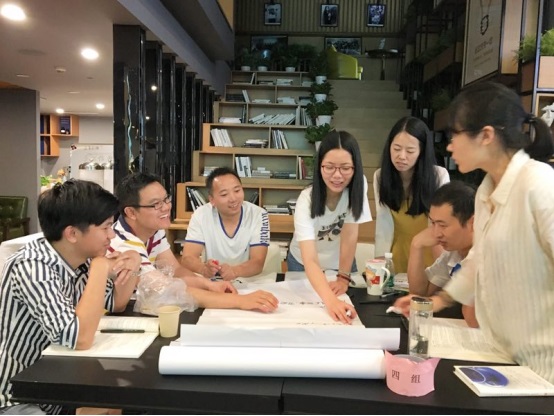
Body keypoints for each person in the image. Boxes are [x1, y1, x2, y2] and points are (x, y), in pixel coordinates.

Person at [395, 81, 554, 383]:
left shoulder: (540, 185)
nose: (449, 146)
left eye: (454, 134)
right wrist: (438, 301)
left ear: (486, 136)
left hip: (544, 367)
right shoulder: (485, 191)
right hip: (505, 357)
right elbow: (479, 260)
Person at [0, 180, 141, 414]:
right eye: (105, 227)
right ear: (72, 233)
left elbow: (116, 303)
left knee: (123, 403)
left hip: (61, 388)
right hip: (19, 398)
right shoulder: (33, 267)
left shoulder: (77, 257)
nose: (111, 235)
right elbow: (78, 338)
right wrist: (99, 267)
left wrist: (134, 262)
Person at [111, 172, 277, 312]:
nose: (166, 207)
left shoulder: (154, 229)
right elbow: (165, 289)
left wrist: (208, 285)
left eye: (166, 199)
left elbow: (176, 270)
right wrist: (241, 301)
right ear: (131, 212)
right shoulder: (124, 244)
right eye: (156, 204)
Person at [287, 130, 372, 324]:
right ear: (319, 166)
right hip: (303, 263)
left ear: (355, 167)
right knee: (306, 314)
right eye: (329, 167)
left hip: (341, 263)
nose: (337, 175)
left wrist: (343, 276)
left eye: (345, 168)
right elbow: (310, 259)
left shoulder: (358, 187)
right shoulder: (306, 199)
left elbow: (350, 235)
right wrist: (331, 302)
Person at [373, 116, 450, 272]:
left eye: (410, 151)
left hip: (429, 253)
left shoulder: (439, 176)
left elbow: (442, 225)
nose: (401, 156)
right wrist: (380, 267)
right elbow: (383, 225)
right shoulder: (380, 177)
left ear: (421, 151)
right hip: (396, 255)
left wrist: (444, 270)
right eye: (396, 148)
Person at [406, 181, 477, 327]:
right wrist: (416, 245)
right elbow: (420, 293)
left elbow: (473, 320)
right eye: (433, 223)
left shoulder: (488, 254)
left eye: (442, 225)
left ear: (473, 223)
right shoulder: (454, 252)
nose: (436, 233)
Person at [182, 167, 269, 281]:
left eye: (237, 191)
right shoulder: (201, 215)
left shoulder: (259, 214)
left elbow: (258, 263)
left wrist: (235, 271)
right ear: (212, 200)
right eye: (224, 194)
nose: (233, 198)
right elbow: (187, 258)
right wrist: (203, 269)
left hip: (247, 281)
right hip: (213, 282)